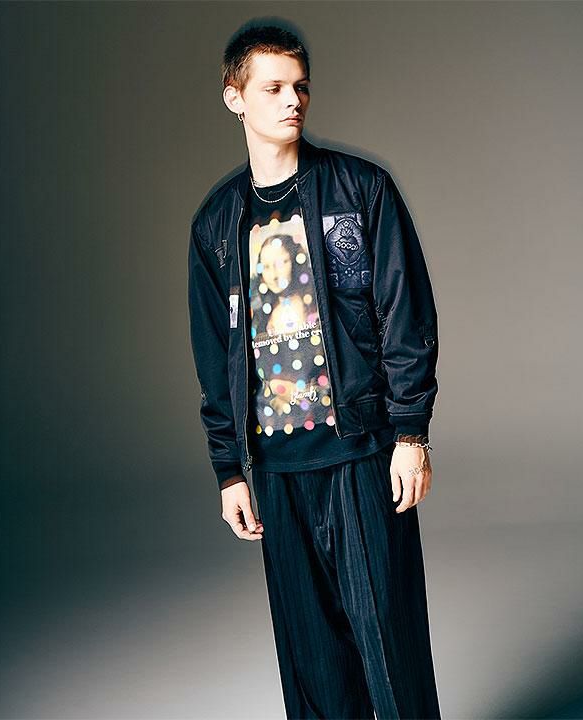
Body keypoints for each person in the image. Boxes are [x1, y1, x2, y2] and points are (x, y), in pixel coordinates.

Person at [187, 21, 441, 720]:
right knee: (313, 666)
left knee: (390, 648)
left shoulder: (360, 191)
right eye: (272, 88)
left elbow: (406, 316)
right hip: (275, 469)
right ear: (235, 97)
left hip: (360, 452)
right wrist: (229, 470)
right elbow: (213, 358)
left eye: (299, 87)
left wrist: (411, 434)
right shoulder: (216, 225)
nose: (292, 101)